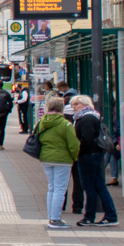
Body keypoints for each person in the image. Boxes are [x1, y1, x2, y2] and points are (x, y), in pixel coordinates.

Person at [35, 95, 81, 229]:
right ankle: (55, 219)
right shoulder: (65, 124)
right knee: (60, 189)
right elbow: (73, 144)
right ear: (61, 109)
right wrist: (74, 157)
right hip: (62, 159)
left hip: (46, 158)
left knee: (51, 188)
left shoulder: (42, 122)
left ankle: (51, 217)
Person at [72, 95, 118, 226]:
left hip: (88, 155)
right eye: (73, 104)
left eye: (76, 104)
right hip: (94, 154)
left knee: (90, 187)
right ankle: (110, 215)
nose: (73, 107)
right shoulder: (91, 116)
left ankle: (90, 216)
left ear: (85, 104)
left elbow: (87, 139)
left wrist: (77, 151)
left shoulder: (86, 118)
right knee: (98, 185)